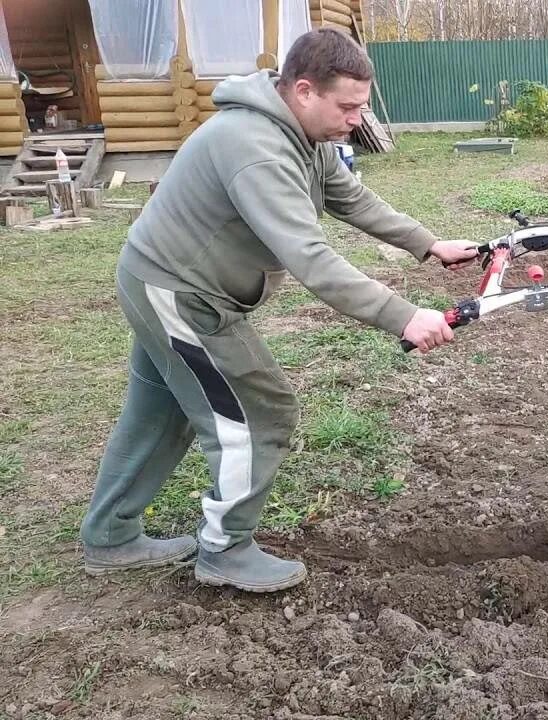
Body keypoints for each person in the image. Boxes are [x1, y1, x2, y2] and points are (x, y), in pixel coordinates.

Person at [78, 28, 477, 592]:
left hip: (169, 283)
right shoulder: (254, 147)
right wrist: (404, 315)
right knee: (259, 411)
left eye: (362, 108)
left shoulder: (305, 135)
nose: (356, 121)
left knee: (159, 414)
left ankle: (110, 536)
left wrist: (427, 242)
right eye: (348, 108)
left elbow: (349, 197)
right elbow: (309, 256)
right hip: (181, 295)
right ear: (305, 90)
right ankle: (225, 549)